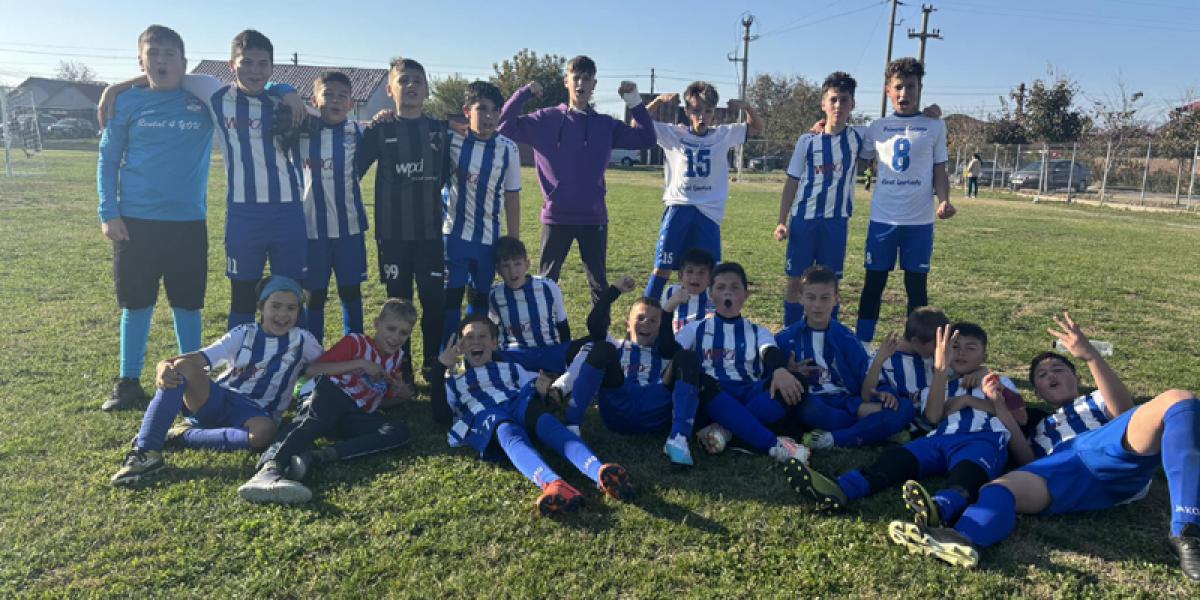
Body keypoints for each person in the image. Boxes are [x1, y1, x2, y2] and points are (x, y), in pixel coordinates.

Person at [887, 313, 1200, 582]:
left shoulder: (1097, 400)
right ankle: (962, 538)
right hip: (1061, 472)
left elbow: (1124, 413)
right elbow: (1026, 459)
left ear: (1076, 377)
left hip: (1108, 451)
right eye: (1041, 375)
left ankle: (1187, 531)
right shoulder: (1039, 424)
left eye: (1058, 370)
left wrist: (1091, 356)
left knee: (1178, 399)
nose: (1050, 375)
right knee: (998, 489)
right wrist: (1000, 406)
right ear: (1036, 390)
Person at [788, 323, 1027, 528]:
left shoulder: (997, 381)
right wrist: (941, 371)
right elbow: (933, 417)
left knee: (968, 472)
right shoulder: (935, 385)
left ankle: (941, 508)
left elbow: (1020, 417)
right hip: (938, 438)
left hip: (983, 438)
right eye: (955, 347)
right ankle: (842, 488)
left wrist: (969, 399)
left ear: (984, 356)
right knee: (896, 459)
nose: (962, 353)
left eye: (971, 348)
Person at [96, 25, 213, 411]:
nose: (161, 62)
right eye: (153, 54)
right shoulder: (126, 103)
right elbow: (108, 160)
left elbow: (251, 82)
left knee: (188, 304)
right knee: (137, 303)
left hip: (188, 222)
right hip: (136, 222)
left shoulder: (202, 99)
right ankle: (128, 382)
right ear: (141, 60)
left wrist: (287, 91)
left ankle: (192, 379)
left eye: (169, 54)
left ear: (183, 62)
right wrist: (108, 213)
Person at [111, 276, 323, 485]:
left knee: (264, 432)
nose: (282, 315)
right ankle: (146, 450)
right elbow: (198, 358)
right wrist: (162, 366)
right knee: (182, 366)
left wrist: (344, 366)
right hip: (220, 398)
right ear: (261, 307)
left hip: (258, 413)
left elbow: (322, 365)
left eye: (291, 308)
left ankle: (182, 436)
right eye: (275, 306)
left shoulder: (302, 339)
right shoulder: (244, 333)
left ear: (298, 312)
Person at [497, 56, 656, 302]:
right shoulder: (545, 120)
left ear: (594, 84)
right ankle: (543, 324)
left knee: (599, 285)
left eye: (587, 78)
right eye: (576, 77)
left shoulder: (605, 125)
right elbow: (503, 126)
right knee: (546, 283)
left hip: (593, 217)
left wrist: (634, 101)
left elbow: (647, 139)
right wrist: (524, 93)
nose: (581, 83)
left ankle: (600, 327)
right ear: (566, 81)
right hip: (556, 216)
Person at [443, 314, 634, 516]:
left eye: (482, 336)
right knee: (507, 431)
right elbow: (442, 413)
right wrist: (442, 367)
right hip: (487, 413)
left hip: (517, 401)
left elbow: (534, 393)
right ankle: (553, 484)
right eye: (469, 337)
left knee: (546, 422)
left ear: (494, 342)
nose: (476, 342)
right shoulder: (453, 380)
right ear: (461, 346)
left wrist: (542, 392)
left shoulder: (511, 368)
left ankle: (599, 471)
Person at [237, 299, 417, 504]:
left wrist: (401, 395)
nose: (396, 337)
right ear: (377, 324)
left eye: (403, 333)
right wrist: (360, 363)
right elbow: (312, 370)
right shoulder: (356, 343)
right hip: (329, 392)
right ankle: (269, 469)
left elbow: (377, 401)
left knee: (398, 430)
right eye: (391, 329)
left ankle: (315, 457)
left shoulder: (396, 359)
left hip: (353, 413)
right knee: (313, 420)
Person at [355, 57, 451, 399]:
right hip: (393, 236)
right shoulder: (379, 130)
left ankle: (434, 366)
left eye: (417, 81)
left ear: (427, 89)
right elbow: (353, 171)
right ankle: (402, 367)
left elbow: (448, 174)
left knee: (434, 302)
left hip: (430, 234)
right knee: (399, 304)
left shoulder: (440, 130)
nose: (411, 86)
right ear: (389, 89)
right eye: (403, 80)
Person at [855, 58, 955, 344]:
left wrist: (944, 200)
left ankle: (916, 348)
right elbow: (860, 161)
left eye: (910, 87)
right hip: (882, 220)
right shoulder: (877, 127)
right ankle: (863, 345)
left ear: (920, 88)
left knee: (916, 289)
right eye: (898, 87)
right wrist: (825, 128)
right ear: (888, 90)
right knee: (873, 285)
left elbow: (939, 169)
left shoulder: (934, 126)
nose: (904, 93)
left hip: (919, 223)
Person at [675, 263, 811, 464]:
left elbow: (769, 351)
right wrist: (667, 310)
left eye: (735, 287)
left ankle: (724, 431)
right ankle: (773, 445)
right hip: (712, 397)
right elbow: (673, 354)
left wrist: (780, 370)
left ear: (746, 295)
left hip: (748, 393)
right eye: (721, 287)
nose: (727, 292)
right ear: (711, 294)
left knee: (796, 383)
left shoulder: (757, 331)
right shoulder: (694, 329)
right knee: (701, 381)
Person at [561, 275, 702, 466]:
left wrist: (669, 308)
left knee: (687, 357)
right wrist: (614, 291)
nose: (646, 323)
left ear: (661, 328)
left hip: (654, 409)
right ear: (627, 324)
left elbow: (671, 345)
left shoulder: (665, 350)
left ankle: (679, 438)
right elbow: (595, 324)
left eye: (653, 321)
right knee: (601, 348)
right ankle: (571, 427)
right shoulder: (616, 346)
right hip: (618, 406)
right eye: (640, 318)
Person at [641, 82, 761, 300]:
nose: (702, 116)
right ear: (687, 111)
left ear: (714, 112)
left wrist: (746, 107)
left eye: (707, 111)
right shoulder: (673, 133)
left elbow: (756, 127)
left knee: (710, 272)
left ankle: (708, 316)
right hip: (679, 208)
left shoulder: (722, 134)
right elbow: (637, 122)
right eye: (696, 110)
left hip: (708, 212)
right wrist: (658, 101)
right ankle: (649, 311)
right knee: (662, 268)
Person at [775, 265, 915, 450]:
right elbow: (771, 377)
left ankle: (832, 438)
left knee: (904, 407)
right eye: (811, 297)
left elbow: (865, 373)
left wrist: (883, 392)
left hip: (848, 402)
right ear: (800, 298)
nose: (817, 305)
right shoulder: (786, 338)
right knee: (806, 407)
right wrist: (790, 372)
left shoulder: (846, 337)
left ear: (836, 299)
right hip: (815, 402)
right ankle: (871, 429)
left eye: (825, 298)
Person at [773, 72, 869, 327]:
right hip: (804, 220)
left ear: (852, 104)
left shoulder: (859, 136)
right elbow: (792, 181)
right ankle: (791, 331)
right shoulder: (807, 141)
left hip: (835, 222)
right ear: (823, 104)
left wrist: (929, 114)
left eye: (844, 100)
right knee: (796, 280)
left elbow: (892, 128)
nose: (838, 105)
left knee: (831, 283)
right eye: (833, 100)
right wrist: (782, 220)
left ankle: (828, 333)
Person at [441, 81, 522, 350]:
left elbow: (512, 196)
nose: (489, 116)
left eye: (495, 110)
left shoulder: (508, 148)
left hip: (488, 241)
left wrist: (513, 242)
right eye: (482, 109)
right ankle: (447, 359)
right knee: (450, 301)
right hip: (453, 236)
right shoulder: (451, 140)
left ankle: (474, 356)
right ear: (467, 111)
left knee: (478, 302)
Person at [297, 71, 369, 345]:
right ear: (314, 100)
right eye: (328, 94)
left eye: (342, 95)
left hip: (349, 229)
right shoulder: (300, 130)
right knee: (313, 295)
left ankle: (354, 348)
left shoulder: (359, 133)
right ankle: (311, 352)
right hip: (311, 229)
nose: (335, 100)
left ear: (350, 103)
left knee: (350, 292)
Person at [488, 236, 572, 374]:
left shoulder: (548, 287)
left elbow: (562, 325)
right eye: (506, 266)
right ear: (498, 270)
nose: (512, 271)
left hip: (549, 351)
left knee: (593, 346)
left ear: (527, 264)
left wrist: (567, 356)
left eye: (517, 264)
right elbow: (493, 332)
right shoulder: (494, 296)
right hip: (516, 355)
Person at [861, 307, 950, 433]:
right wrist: (877, 363)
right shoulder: (885, 359)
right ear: (916, 342)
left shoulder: (933, 358)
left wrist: (975, 374)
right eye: (937, 345)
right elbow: (866, 395)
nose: (941, 350)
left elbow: (960, 373)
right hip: (900, 417)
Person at [660, 248, 716, 333]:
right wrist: (671, 303)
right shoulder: (671, 292)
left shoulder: (714, 295)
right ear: (680, 275)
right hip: (676, 339)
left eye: (701, 273)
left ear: (710, 278)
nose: (695, 277)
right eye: (690, 271)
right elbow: (660, 320)